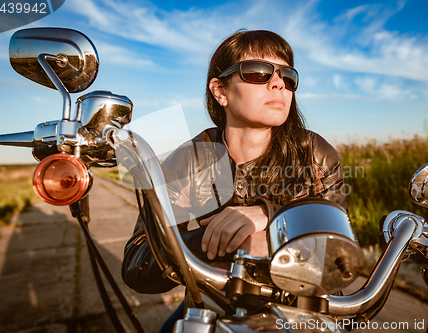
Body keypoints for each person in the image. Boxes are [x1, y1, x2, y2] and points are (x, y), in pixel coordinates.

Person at [121, 29, 347, 332]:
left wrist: (271, 216)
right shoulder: (189, 159)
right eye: (258, 72)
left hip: (298, 312)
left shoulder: (316, 155)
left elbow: (339, 261)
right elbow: (137, 263)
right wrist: (215, 240)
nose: (278, 83)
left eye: (287, 76)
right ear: (220, 91)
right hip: (214, 304)